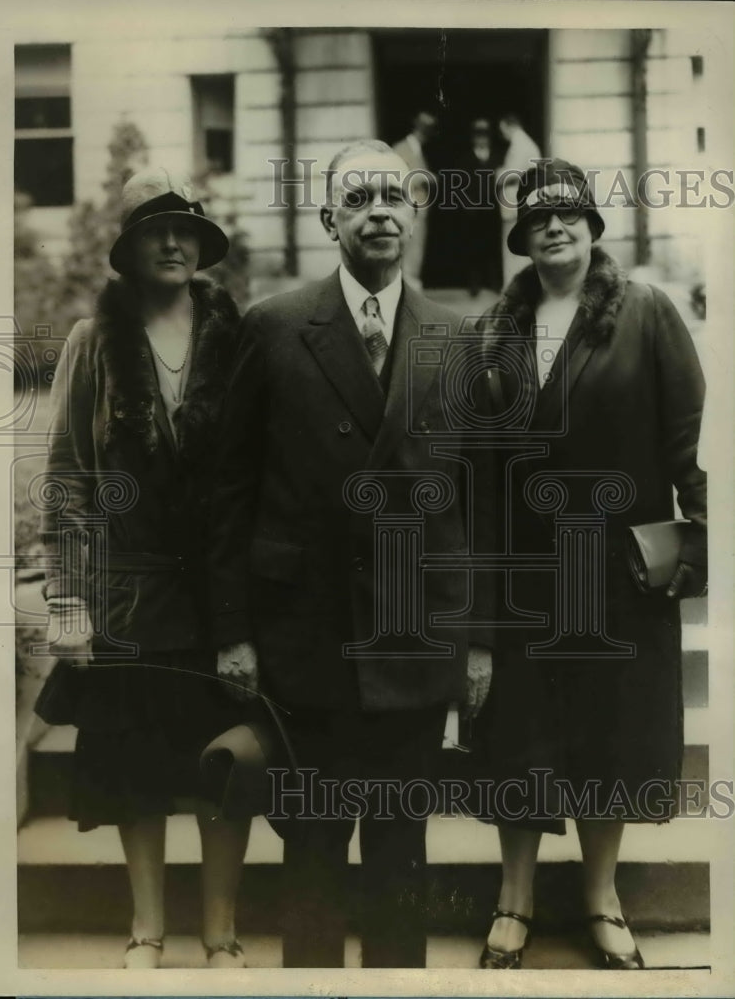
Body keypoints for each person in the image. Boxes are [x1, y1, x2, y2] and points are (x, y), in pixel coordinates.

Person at [211, 139, 496, 968]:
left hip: (415, 638)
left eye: (394, 197)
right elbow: (230, 489)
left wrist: (480, 640)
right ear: (328, 215)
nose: (379, 210)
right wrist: (233, 630)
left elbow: (480, 502)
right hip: (306, 637)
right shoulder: (272, 328)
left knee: (401, 852)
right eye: (359, 196)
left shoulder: (457, 336)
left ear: (415, 214)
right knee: (313, 852)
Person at [473, 158, 707, 970]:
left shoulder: (645, 312)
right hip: (524, 572)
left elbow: (690, 440)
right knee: (520, 735)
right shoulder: (493, 329)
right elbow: (474, 467)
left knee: (609, 734)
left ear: (593, 226)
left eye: (570, 214)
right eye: (539, 218)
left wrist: (702, 533)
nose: (555, 227)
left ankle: (602, 897)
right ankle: (515, 898)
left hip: (615, 568)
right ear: (522, 237)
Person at [35, 166, 253, 969]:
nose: (171, 243)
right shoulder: (93, 343)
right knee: (139, 767)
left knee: (223, 763)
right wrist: (66, 598)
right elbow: (66, 479)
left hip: (220, 595)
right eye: (152, 232)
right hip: (128, 594)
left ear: (201, 243)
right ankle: (148, 929)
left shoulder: (237, 335)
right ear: (125, 252)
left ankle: (222, 932)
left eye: (184, 229)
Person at [392, 110, 438, 290]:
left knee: (416, 248)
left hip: (419, 206)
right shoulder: (401, 149)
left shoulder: (417, 150)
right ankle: (408, 285)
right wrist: (424, 177)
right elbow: (396, 178)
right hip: (408, 205)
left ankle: (410, 283)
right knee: (410, 248)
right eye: (426, 129)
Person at [496, 113, 542, 286]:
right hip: (517, 203)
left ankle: (515, 287)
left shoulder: (520, 145)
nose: (503, 134)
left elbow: (510, 174)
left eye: (503, 130)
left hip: (516, 203)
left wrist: (498, 174)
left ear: (510, 126)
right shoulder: (523, 144)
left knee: (513, 248)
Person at [458, 118, 502, 295]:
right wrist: (466, 205)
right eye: (478, 135)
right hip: (473, 211)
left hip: (492, 209)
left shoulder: (498, 157)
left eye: (484, 135)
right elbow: (459, 185)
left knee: (493, 246)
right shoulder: (465, 158)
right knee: (473, 247)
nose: (481, 139)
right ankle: (474, 284)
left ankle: (494, 283)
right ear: (473, 137)